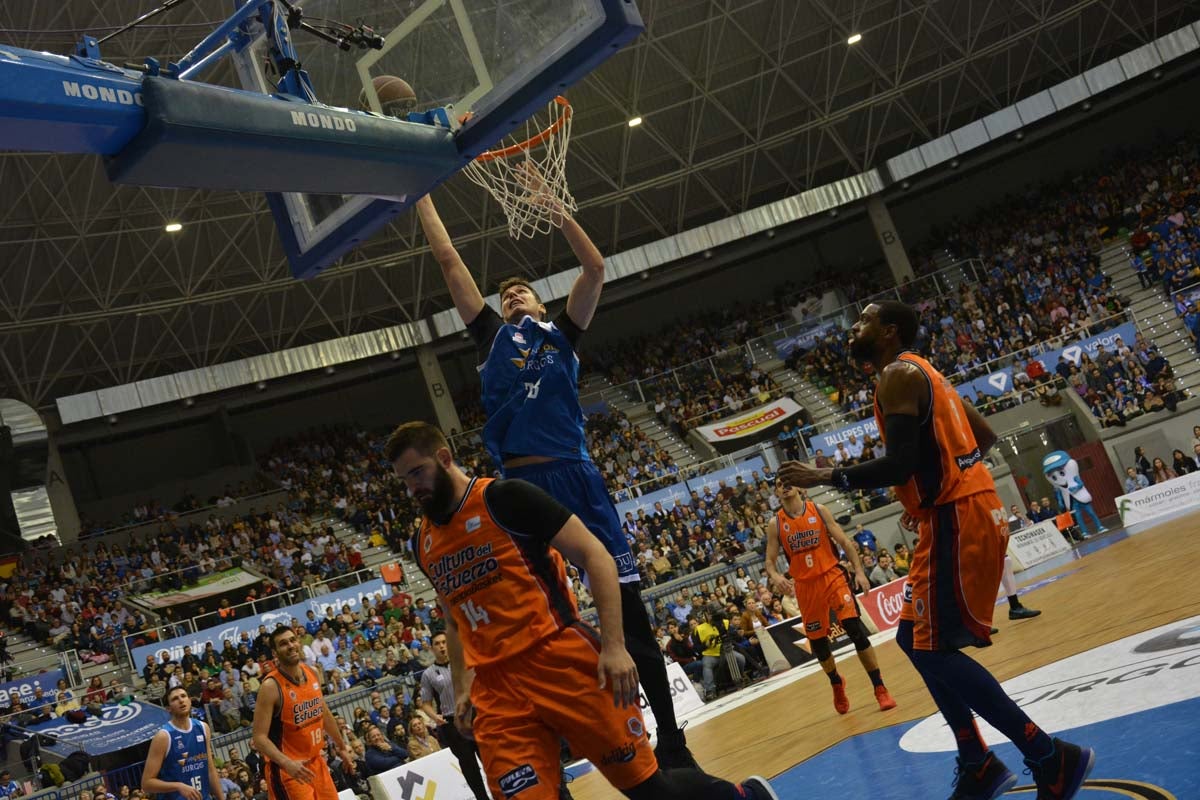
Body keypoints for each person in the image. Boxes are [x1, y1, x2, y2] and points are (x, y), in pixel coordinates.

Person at [415, 191, 697, 769]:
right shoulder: (492, 337)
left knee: (631, 613)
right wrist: (420, 189)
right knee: (530, 623)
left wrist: (560, 212)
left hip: (577, 475)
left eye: (521, 290)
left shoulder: (562, 336)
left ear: (542, 304)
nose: (510, 294)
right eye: (503, 293)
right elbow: (447, 258)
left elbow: (595, 268)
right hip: (518, 492)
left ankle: (671, 743)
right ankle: (549, 749)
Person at [778, 301, 1094, 800]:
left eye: (862, 320)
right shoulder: (930, 375)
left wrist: (825, 476)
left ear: (889, 331)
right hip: (964, 507)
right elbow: (982, 437)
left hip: (958, 517)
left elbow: (900, 463)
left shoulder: (897, 375)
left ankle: (1048, 755)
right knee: (913, 640)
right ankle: (977, 760)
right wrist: (933, 488)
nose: (853, 328)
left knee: (933, 650)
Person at [384, 421, 778, 800]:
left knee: (647, 788)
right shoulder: (423, 542)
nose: (413, 487)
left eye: (418, 472)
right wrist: (463, 684)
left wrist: (615, 646)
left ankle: (745, 796)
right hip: (496, 689)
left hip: (559, 659)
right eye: (404, 480)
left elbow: (596, 556)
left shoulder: (505, 498)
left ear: (444, 457)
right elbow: (453, 620)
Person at [764, 484, 896, 715]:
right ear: (776, 493)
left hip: (832, 576)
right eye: (779, 486)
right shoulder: (775, 524)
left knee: (855, 629)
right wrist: (776, 577)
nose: (784, 488)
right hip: (805, 586)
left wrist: (860, 572)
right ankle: (836, 681)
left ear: (797, 486)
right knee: (819, 645)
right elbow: (769, 562)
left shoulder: (819, 509)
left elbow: (845, 542)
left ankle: (880, 687)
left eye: (788, 484)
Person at [252, 627, 355, 800]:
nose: (291, 646)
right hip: (288, 770)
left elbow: (324, 713)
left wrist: (342, 747)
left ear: (299, 642)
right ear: (275, 653)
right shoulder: (270, 686)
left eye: (293, 640)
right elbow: (259, 738)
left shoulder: (312, 672)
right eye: (283, 644)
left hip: (316, 762)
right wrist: (287, 763)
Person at [417, 631, 489, 800]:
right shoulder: (428, 674)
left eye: (444, 642)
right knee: (468, 765)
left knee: (489, 757)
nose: (442, 646)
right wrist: (435, 717)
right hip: (452, 723)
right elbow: (425, 702)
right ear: (432, 648)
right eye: (437, 643)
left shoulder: (464, 661)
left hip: (475, 715)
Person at [141, 687, 224, 800]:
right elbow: (146, 784)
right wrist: (178, 786)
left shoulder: (203, 728)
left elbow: (210, 770)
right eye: (175, 699)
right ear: (168, 709)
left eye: (183, 696)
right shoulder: (164, 736)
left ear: (189, 700)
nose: (181, 700)